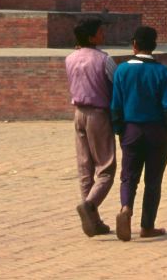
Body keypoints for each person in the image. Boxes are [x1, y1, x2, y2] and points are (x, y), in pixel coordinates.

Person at [110, 26, 167, 241]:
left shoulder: (122, 70)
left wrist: (119, 130)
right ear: (154, 46)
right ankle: (147, 226)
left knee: (129, 176)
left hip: (131, 129)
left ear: (134, 45)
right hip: (156, 130)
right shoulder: (161, 71)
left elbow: (115, 105)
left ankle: (125, 208)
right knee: (153, 180)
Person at [65, 18, 117, 237]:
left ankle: (93, 220)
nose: (103, 35)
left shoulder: (70, 59)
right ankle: (90, 205)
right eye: (100, 32)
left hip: (79, 113)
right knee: (106, 168)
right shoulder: (104, 60)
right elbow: (117, 85)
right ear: (91, 36)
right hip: (98, 114)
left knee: (85, 167)